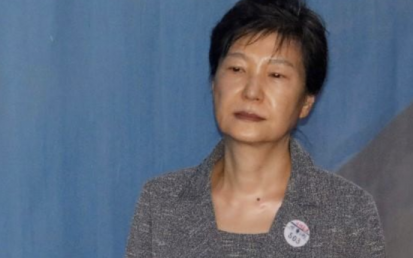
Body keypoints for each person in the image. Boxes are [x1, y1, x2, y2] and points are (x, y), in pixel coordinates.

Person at [126, 0, 386, 257]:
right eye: (237, 69)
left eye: (276, 75)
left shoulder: (348, 212)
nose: (251, 92)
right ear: (214, 83)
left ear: (306, 102)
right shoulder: (160, 202)